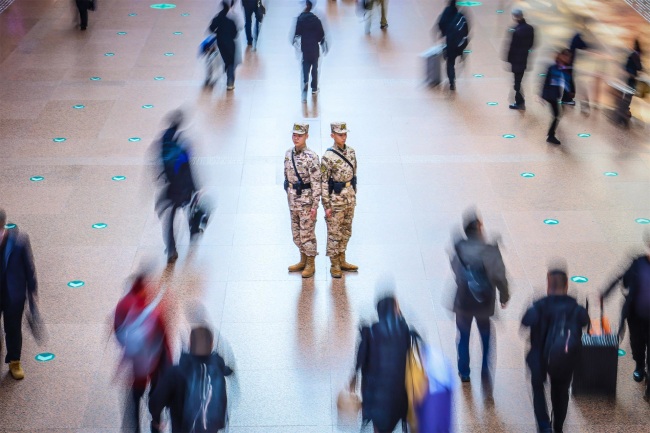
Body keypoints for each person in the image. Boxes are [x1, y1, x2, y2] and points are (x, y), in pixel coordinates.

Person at [522, 269, 590, 433]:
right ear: (566, 285)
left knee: (538, 388)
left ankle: (544, 426)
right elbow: (585, 321)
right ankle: (558, 426)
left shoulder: (539, 305)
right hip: (564, 358)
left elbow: (525, 321)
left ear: (548, 284)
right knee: (560, 391)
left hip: (539, 358)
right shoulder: (575, 308)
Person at [450, 212, 509, 382]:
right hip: (484, 300)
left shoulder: (459, 247)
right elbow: (500, 276)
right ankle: (485, 369)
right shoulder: (490, 250)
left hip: (463, 300)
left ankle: (464, 372)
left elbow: (456, 271)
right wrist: (504, 296)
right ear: (479, 229)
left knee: (463, 335)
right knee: (485, 334)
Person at [114, 271, 171, 433]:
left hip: (136, 361)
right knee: (156, 392)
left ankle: (135, 427)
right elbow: (164, 338)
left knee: (136, 393)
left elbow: (117, 331)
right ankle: (156, 423)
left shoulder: (123, 305)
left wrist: (128, 347)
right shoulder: (154, 310)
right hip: (155, 360)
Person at [149, 326, 233, 433]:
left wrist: (156, 420)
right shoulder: (217, 367)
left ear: (190, 344)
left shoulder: (175, 373)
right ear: (211, 344)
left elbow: (155, 403)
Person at [350, 296, 411, 433]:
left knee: (380, 427)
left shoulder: (370, 332)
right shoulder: (402, 331)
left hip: (376, 395)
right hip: (398, 395)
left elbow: (359, 362)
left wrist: (353, 378)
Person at [601, 233, 650, 401]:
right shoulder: (638, 263)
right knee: (637, 343)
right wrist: (605, 292)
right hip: (636, 315)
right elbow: (621, 278)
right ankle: (639, 365)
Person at [0, 209, 39, 380]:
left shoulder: (19, 242)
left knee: (13, 329)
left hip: (13, 295)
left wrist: (32, 291)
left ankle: (14, 361)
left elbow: (29, 267)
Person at [155, 111, 197, 264]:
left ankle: (171, 249)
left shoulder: (163, 142)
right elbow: (190, 168)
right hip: (184, 188)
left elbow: (159, 165)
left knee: (169, 219)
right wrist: (195, 187)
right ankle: (193, 232)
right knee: (188, 211)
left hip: (170, 188)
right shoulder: (184, 145)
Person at [284, 123, 322, 278]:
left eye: (300, 135)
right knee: (296, 233)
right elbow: (286, 175)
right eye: (294, 135)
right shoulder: (288, 154)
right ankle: (303, 259)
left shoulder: (311, 157)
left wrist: (315, 205)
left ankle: (310, 263)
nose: (296, 138)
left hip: (306, 201)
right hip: (293, 200)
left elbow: (316, 182)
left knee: (307, 234)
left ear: (306, 136)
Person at [321, 122, 358, 278]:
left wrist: (354, 193)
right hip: (335, 199)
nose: (343, 137)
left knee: (346, 230)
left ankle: (342, 258)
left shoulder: (351, 152)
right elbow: (323, 182)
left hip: (349, 197)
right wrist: (326, 205)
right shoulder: (328, 157)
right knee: (334, 232)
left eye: (344, 134)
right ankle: (334, 264)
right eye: (339, 134)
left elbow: (354, 174)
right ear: (332, 136)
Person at [293, 1, 327, 99]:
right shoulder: (317, 20)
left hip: (305, 48)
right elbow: (321, 36)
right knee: (315, 69)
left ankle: (305, 83)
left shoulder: (300, 19)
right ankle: (314, 88)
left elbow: (297, 34)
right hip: (314, 49)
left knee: (305, 66)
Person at [541, 49, 572, 145]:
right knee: (557, 114)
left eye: (569, 57)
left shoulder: (564, 68)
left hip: (555, 95)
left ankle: (551, 135)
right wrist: (543, 95)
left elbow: (567, 83)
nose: (568, 59)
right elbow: (547, 81)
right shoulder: (555, 68)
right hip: (551, 95)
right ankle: (551, 136)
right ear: (561, 57)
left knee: (557, 114)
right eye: (566, 57)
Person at [437, 0, 469, 91]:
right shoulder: (460, 15)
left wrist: (443, 34)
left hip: (450, 43)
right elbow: (467, 29)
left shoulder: (447, 12)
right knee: (454, 57)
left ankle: (452, 82)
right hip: (459, 44)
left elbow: (440, 24)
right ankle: (461, 55)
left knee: (450, 62)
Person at [506, 9, 535, 110]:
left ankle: (520, 102)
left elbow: (512, 47)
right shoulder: (530, 28)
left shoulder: (516, 31)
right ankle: (519, 100)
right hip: (524, 59)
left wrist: (508, 59)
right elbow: (532, 44)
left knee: (517, 82)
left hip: (516, 60)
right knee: (518, 80)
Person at [210, 1, 240, 90]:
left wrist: (217, 33)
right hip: (230, 43)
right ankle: (230, 81)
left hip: (221, 43)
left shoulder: (218, 18)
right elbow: (235, 34)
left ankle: (228, 73)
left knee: (227, 60)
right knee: (231, 61)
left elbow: (211, 28)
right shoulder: (231, 19)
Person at [615, 40, 643, 127]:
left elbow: (625, 65)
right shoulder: (635, 55)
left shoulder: (631, 54)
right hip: (631, 79)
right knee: (628, 96)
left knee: (627, 96)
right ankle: (623, 114)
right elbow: (639, 67)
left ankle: (622, 113)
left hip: (628, 78)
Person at [560, 32, 588, 106]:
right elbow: (584, 46)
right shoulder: (575, 43)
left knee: (568, 80)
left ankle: (566, 98)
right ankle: (567, 99)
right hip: (570, 65)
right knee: (569, 81)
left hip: (569, 64)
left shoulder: (572, 44)